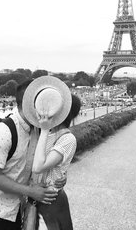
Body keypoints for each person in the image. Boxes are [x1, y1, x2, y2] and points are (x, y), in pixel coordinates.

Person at [0, 79, 64, 230]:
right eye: (43, 104)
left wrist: (57, 177)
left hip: (18, 210)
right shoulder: (4, 132)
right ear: (31, 105)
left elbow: (40, 164)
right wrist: (31, 191)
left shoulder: (37, 129)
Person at [32, 94, 81, 230]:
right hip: (34, 196)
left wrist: (45, 130)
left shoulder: (67, 139)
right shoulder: (41, 132)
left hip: (51, 199)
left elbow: (38, 167)